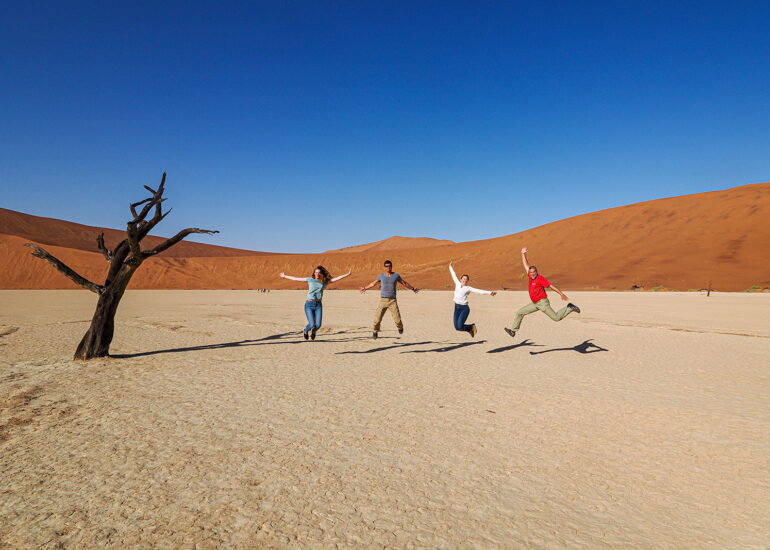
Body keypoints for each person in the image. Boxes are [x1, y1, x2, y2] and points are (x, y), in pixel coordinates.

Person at [505, 247, 580, 339]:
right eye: (531, 272)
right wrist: (523, 254)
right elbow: (525, 264)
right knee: (520, 312)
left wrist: (561, 294)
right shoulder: (530, 276)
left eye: (534, 272)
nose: (532, 273)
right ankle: (513, 331)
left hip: (542, 303)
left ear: (537, 272)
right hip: (535, 304)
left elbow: (551, 286)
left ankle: (570, 307)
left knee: (556, 318)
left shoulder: (540, 278)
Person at [280, 266, 351, 340]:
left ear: (321, 274)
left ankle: (313, 331)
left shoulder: (324, 282)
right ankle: (305, 330)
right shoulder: (310, 280)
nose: (317, 274)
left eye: (319, 272)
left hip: (318, 305)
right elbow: (296, 278)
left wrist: (347, 274)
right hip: (309, 304)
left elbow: (336, 279)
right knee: (311, 324)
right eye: (316, 272)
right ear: (314, 273)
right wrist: (284, 276)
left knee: (318, 325)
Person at [360, 260, 419, 339]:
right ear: (384, 267)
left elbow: (404, 283)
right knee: (377, 319)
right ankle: (375, 331)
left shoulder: (396, 275)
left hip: (392, 301)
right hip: (383, 300)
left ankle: (400, 328)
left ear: (392, 267)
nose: (388, 267)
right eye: (386, 266)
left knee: (397, 319)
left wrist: (412, 288)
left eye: (389, 266)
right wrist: (365, 288)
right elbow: (374, 283)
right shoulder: (381, 276)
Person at [449, 261, 496, 337]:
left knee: (460, 326)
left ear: (467, 281)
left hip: (464, 308)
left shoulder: (468, 288)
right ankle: (470, 328)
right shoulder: (457, 283)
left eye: (466, 279)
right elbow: (453, 275)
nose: (464, 280)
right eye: (463, 278)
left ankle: (471, 326)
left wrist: (489, 292)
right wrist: (450, 267)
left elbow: (479, 291)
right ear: (460, 279)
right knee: (457, 327)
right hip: (456, 307)